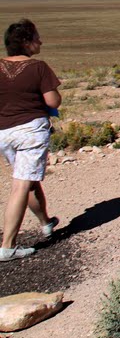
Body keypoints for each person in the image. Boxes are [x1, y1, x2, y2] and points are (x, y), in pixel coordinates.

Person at [0, 20, 61, 261]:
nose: (40, 41)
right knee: (21, 185)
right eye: (36, 37)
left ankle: (46, 222)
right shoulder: (38, 68)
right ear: (25, 42)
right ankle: (7, 246)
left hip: (3, 133)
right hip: (31, 132)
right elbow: (53, 102)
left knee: (29, 181)